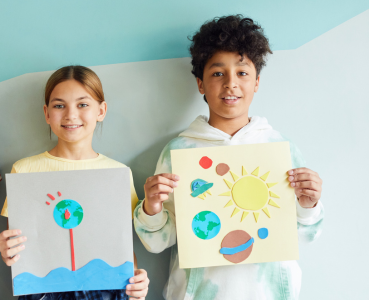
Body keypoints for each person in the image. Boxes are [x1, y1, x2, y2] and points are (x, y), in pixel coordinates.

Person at [134, 15, 324, 300]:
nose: (231, 83)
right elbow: (158, 242)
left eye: (242, 73)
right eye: (218, 73)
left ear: (257, 82)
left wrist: (308, 206)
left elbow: (304, 236)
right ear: (200, 84)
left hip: (270, 292)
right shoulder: (179, 151)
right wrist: (151, 208)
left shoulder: (280, 147)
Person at [0, 65, 150, 300]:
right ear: (47, 113)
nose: (70, 115)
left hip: (107, 292)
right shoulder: (24, 171)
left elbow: (121, 248)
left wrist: (137, 280)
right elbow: (17, 247)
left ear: (101, 110)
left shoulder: (117, 173)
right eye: (59, 105)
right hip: (43, 291)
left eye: (82, 104)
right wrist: (7, 250)